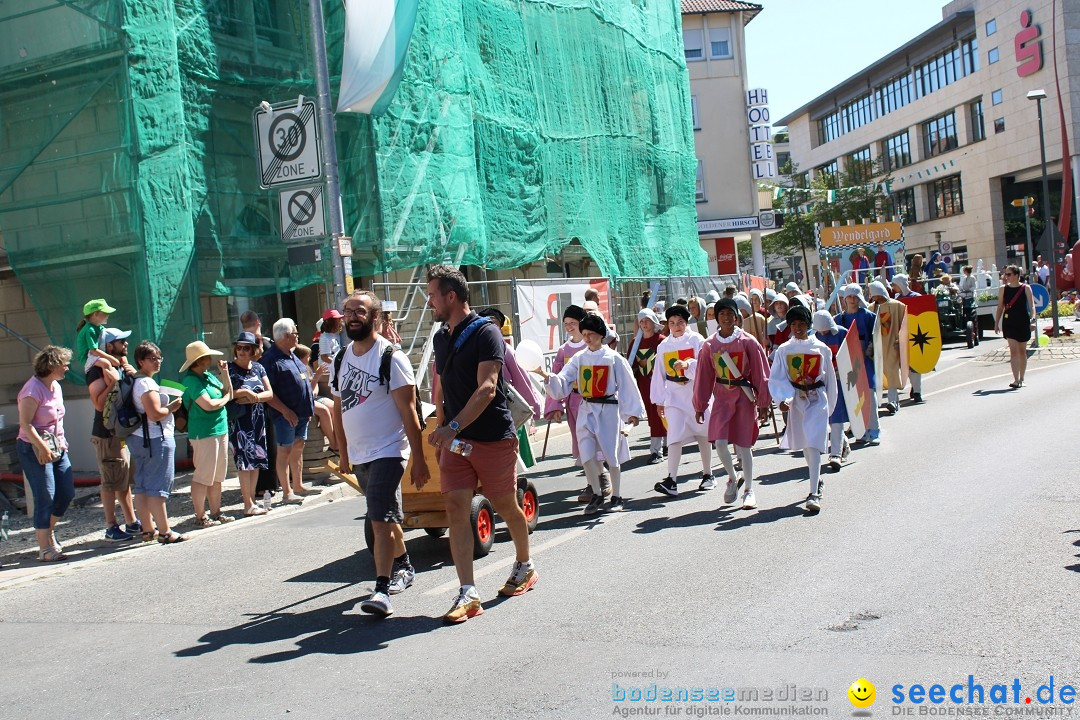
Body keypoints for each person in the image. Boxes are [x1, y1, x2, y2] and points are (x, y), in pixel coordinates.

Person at [426, 265, 536, 623]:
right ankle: (468, 592)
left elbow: (487, 388)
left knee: (505, 505)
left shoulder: (487, 333)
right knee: (456, 509)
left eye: (432, 295)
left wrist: (452, 427)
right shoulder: (441, 337)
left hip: (492, 438)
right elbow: (441, 390)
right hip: (457, 443)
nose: (429, 302)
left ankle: (525, 565)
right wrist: (443, 428)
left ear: (451, 296)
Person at [331, 290, 430, 618]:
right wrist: (343, 451)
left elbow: (409, 413)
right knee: (386, 517)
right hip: (360, 453)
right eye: (348, 311)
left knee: (377, 519)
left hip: (389, 450)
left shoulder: (391, 358)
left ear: (375, 319)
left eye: (360, 311)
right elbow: (338, 407)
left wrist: (419, 459)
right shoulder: (341, 357)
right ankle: (404, 565)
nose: (352, 316)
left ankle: (382, 589)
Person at [540, 313, 644, 513]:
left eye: (590, 334)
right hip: (586, 409)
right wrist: (547, 377)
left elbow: (628, 384)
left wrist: (632, 412)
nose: (586, 338)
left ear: (601, 335)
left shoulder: (614, 358)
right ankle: (596, 494)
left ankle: (617, 496)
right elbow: (564, 380)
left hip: (608, 411)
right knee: (586, 454)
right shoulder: (579, 358)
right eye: (584, 334)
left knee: (610, 455)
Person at [692, 299, 771, 509]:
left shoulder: (748, 342)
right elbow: (704, 376)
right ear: (716, 318)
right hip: (721, 399)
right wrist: (699, 404)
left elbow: (761, 373)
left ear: (737, 317)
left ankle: (749, 490)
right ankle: (732, 478)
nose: (726, 318)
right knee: (719, 443)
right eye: (722, 314)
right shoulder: (709, 345)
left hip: (744, 398)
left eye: (730, 314)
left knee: (744, 445)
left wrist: (764, 402)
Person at [768, 305, 837, 513]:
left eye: (802, 324)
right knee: (807, 444)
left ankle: (813, 492)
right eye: (794, 324)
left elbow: (830, 380)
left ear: (809, 325)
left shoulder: (821, 348)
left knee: (814, 442)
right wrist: (782, 398)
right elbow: (778, 377)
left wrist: (830, 405)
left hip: (817, 400)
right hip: (797, 401)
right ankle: (817, 480)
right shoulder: (784, 350)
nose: (798, 328)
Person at [544, 304, 608, 502]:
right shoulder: (564, 351)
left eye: (573, 322)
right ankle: (592, 483)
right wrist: (555, 406)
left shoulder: (592, 346)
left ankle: (603, 478)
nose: (570, 327)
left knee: (597, 440)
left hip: (596, 401)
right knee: (582, 442)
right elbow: (556, 378)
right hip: (574, 404)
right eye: (566, 324)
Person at [17, 346, 75, 562]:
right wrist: (42, 448)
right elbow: (25, 423)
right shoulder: (32, 391)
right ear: (52, 366)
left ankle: (48, 531)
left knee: (67, 492)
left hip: (57, 447)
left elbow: (57, 419)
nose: (67, 367)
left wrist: (60, 444)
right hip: (33, 448)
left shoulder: (56, 386)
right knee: (46, 495)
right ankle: (45, 548)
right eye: (64, 364)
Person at [650, 304, 714, 496]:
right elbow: (659, 374)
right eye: (672, 323)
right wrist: (659, 400)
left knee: (703, 433)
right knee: (674, 435)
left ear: (686, 323)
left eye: (680, 322)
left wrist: (688, 365)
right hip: (674, 396)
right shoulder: (663, 346)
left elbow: (706, 366)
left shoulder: (697, 340)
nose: (676, 326)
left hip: (695, 393)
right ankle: (672, 479)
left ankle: (708, 474)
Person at [86, 327, 141, 541]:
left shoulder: (119, 365)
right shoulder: (97, 370)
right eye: (121, 341)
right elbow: (99, 405)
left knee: (123, 480)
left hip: (120, 432)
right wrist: (112, 383)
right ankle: (111, 527)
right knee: (110, 482)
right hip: (106, 433)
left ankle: (131, 522)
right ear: (109, 346)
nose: (126, 344)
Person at [129, 341, 186, 543]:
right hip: (155, 439)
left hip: (139, 439)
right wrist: (172, 407)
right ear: (140, 361)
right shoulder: (146, 383)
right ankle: (165, 532)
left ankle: (148, 530)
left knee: (143, 486)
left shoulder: (135, 381)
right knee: (157, 487)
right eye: (152, 358)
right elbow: (154, 414)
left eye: (159, 357)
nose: (157, 361)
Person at [180, 341, 235, 525]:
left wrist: (225, 374)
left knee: (218, 476)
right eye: (207, 357)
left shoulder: (207, 376)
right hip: (203, 433)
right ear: (200, 360)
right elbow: (209, 405)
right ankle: (200, 516)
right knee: (204, 476)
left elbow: (228, 391)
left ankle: (216, 512)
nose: (211, 359)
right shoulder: (190, 380)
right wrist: (227, 398)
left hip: (220, 429)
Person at [262, 318, 316, 502]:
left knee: (298, 447)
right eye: (295, 332)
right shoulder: (270, 360)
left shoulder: (291, 355)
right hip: (285, 415)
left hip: (301, 413)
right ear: (286, 336)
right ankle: (287, 492)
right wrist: (285, 411)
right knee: (284, 450)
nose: (297, 335)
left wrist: (306, 409)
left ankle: (298, 485)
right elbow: (269, 392)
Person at [227, 331, 274, 516]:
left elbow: (269, 394)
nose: (242, 351)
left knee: (256, 461)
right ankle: (247, 502)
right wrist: (245, 394)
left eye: (246, 348)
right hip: (240, 421)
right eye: (239, 347)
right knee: (243, 463)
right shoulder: (230, 369)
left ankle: (252, 501)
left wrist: (254, 397)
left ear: (253, 350)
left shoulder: (258, 368)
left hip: (258, 420)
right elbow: (228, 393)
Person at [834, 284, 880, 444]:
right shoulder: (838, 319)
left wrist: (870, 349)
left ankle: (873, 430)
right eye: (849, 296)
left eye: (855, 296)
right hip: (848, 364)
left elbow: (877, 337)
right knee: (852, 398)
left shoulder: (869, 316)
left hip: (865, 362)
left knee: (869, 396)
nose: (852, 300)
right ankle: (860, 431)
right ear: (845, 298)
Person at [813, 312, 851, 470]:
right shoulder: (813, 338)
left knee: (837, 416)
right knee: (826, 417)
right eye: (820, 331)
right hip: (822, 382)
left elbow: (851, 355)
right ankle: (844, 445)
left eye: (825, 330)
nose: (823, 334)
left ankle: (835, 454)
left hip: (840, 380)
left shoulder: (842, 333)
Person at [629, 309, 666, 464]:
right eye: (641, 321)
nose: (644, 324)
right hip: (644, 384)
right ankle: (664, 444)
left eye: (647, 320)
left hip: (660, 384)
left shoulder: (662, 341)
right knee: (652, 415)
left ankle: (656, 450)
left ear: (653, 321)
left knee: (661, 413)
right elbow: (630, 365)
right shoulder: (635, 343)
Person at [867, 281, 907, 415]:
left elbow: (905, 323)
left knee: (892, 371)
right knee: (878, 374)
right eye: (874, 296)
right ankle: (886, 400)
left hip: (892, 344)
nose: (876, 298)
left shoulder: (897, 306)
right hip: (876, 346)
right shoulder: (870, 309)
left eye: (878, 295)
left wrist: (901, 340)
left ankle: (892, 401)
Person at [995, 265, 1036, 388]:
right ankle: (1016, 380)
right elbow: (1000, 307)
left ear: (1017, 275)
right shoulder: (1003, 289)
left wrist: (1033, 319)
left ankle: (1022, 378)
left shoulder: (1026, 288)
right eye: (1005, 274)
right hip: (1009, 322)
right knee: (1013, 351)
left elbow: (1032, 305)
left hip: (1023, 322)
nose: (1006, 277)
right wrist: (996, 323)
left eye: (1009, 274)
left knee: (1022, 352)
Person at [294, 344, 337, 455]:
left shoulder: (307, 368)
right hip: (303, 400)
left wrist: (315, 388)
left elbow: (314, 385)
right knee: (324, 411)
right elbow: (306, 391)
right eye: (307, 357)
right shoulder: (296, 370)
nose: (309, 359)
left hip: (314, 397)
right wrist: (317, 376)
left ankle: (339, 440)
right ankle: (333, 444)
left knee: (335, 407)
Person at [890, 274, 924, 404]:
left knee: (915, 365)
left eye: (895, 285)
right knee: (905, 365)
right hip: (902, 337)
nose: (893, 288)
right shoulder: (897, 300)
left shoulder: (917, 298)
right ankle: (914, 388)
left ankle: (917, 392)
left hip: (916, 336)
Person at [76, 298, 121, 376]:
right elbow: (94, 351)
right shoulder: (90, 329)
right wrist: (111, 358)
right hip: (88, 358)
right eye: (105, 313)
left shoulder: (100, 327)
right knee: (106, 363)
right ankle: (114, 384)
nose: (108, 315)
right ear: (95, 314)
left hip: (96, 354)